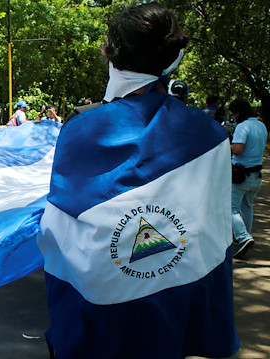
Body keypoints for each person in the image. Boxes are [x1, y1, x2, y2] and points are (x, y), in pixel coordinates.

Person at [37, 3, 239, 359]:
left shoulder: (81, 129)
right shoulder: (210, 135)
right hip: (173, 309)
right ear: (172, 57)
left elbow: (63, 224)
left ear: (110, 55)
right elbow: (211, 229)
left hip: (99, 313)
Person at [229, 98, 267, 259]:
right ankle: (244, 236)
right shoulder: (261, 125)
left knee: (231, 208)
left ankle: (243, 236)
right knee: (247, 206)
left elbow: (237, 149)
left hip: (241, 174)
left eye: (233, 114)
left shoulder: (242, 127)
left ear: (239, 113)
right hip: (256, 174)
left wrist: (225, 144)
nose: (233, 118)